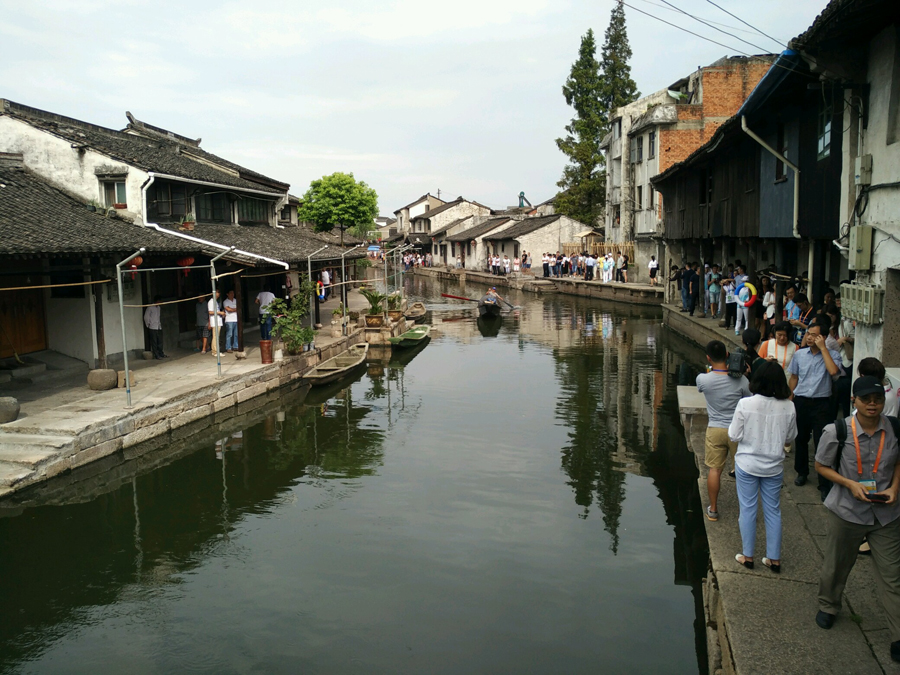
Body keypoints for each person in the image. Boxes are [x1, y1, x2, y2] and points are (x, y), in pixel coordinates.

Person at [813, 376, 900, 665]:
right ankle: (829, 605)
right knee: (836, 565)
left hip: (886, 514)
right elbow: (821, 466)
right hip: (847, 510)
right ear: (855, 401)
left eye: (877, 398)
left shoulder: (895, 428)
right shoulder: (837, 430)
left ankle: (898, 635)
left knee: (893, 577)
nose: (873, 404)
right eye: (866, 399)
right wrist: (849, 484)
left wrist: (894, 488)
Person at [729, 361, 798, 572]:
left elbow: (734, 434)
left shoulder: (746, 404)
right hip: (774, 466)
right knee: (773, 511)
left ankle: (748, 556)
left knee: (748, 509)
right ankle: (774, 559)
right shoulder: (789, 406)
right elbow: (790, 437)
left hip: (747, 464)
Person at [697, 340, 751, 522]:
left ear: (708, 357)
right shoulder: (742, 380)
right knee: (743, 471)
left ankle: (713, 509)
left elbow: (702, 386)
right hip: (737, 431)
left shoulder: (703, 379)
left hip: (715, 429)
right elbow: (748, 398)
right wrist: (744, 374)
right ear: (728, 355)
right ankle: (746, 512)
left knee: (714, 470)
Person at [788, 319, 842, 496]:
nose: (808, 337)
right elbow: (794, 377)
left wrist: (823, 348)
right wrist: (790, 396)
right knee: (801, 438)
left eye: (813, 335)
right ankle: (802, 472)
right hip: (802, 400)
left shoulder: (833, 355)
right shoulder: (800, 354)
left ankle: (824, 483)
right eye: (808, 334)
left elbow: (834, 373)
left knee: (822, 441)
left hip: (822, 403)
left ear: (823, 337)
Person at [207, 290, 225, 355]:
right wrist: (220, 312)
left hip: (218, 320)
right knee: (215, 336)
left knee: (217, 336)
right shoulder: (211, 302)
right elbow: (210, 312)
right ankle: (215, 351)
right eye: (218, 292)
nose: (219, 294)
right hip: (215, 322)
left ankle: (215, 350)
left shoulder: (216, 302)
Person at [734, 266, 750, 335]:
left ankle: (746, 329)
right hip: (739, 304)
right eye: (743, 281)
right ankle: (737, 329)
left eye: (745, 281)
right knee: (739, 318)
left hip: (746, 305)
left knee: (747, 318)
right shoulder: (740, 288)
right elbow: (737, 296)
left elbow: (749, 296)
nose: (744, 282)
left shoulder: (749, 289)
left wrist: (747, 300)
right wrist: (739, 302)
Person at [223, 289, 239, 353]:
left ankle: (235, 346)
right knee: (229, 334)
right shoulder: (225, 301)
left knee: (236, 334)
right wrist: (234, 309)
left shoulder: (236, 300)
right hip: (229, 320)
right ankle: (228, 347)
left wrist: (231, 309)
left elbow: (239, 308)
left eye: (233, 293)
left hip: (236, 319)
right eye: (231, 293)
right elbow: (228, 309)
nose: (232, 294)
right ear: (228, 294)